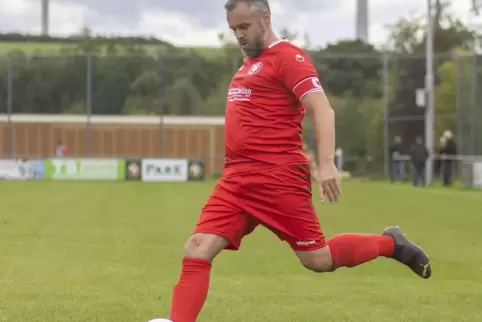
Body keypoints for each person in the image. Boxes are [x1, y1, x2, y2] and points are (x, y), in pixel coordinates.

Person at [160, 1, 432, 321]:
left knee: (318, 259)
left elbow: (322, 108)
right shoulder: (247, 65)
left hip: (278, 177)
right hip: (236, 180)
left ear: (265, 18)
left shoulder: (289, 57)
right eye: (234, 29)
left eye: (245, 27)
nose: (240, 36)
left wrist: (326, 162)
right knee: (197, 248)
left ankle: (390, 244)